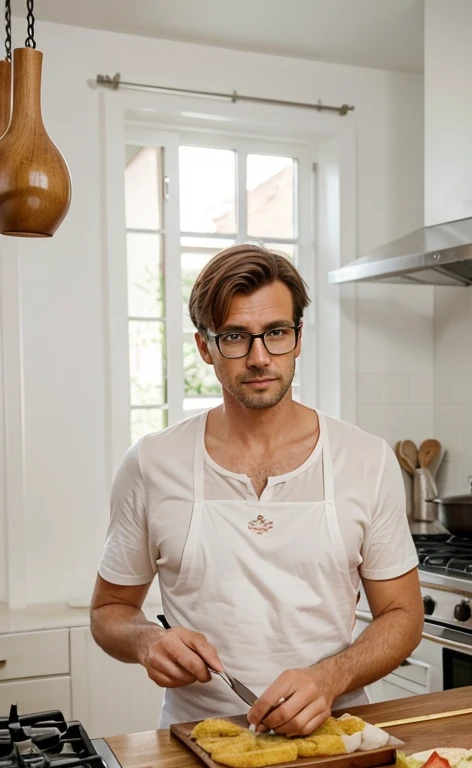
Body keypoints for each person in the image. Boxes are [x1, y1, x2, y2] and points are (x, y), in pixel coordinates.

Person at [90, 244, 423, 736]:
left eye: (276, 333)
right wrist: (145, 642)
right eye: (235, 338)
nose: (260, 357)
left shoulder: (365, 459)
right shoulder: (151, 463)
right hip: (196, 738)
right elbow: (108, 611)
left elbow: (403, 615)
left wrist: (332, 677)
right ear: (205, 347)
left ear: (298, 336)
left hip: (333, 736)